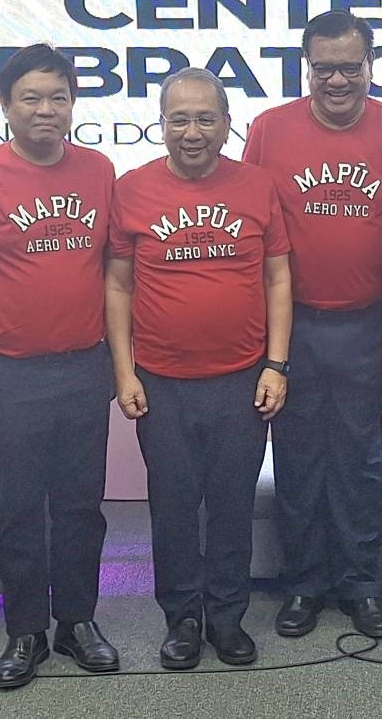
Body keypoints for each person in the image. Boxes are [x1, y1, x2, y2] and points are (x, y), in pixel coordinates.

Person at [0, 43, 119, 689]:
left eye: (58, 97)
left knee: (81, 507)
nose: (46, 110)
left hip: (82, 367)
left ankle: (76, 622)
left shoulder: (99, 170)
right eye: (31, 98)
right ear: (5, 104)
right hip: (8, 373)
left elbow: (109, 271)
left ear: (73, 103)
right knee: (19, 508)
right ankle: (25, 631)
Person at [242, 10, 382, 639]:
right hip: (291, 326)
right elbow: (248, 224)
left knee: (357, 458)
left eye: (352, 67)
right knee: (294, 458)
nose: (338, 80)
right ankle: (303, 586)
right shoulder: (269, 130)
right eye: (325, 68)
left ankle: (361, 585)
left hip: (369, 324)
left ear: (372, 64)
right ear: (307, 67)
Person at [106, 67, 292, 669]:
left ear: (227, 123)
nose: (192, 131)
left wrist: (277, 365)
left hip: (242, 378)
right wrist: (124, 372)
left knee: (234, 504)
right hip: (160, 383)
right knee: (174, 506)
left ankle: (228, 619)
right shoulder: (131, 189)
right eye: (179, 118)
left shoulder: (258, 186)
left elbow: (278, 277)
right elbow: (117, 285)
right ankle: (182, 619)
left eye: (205, 118)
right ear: (160, 124)